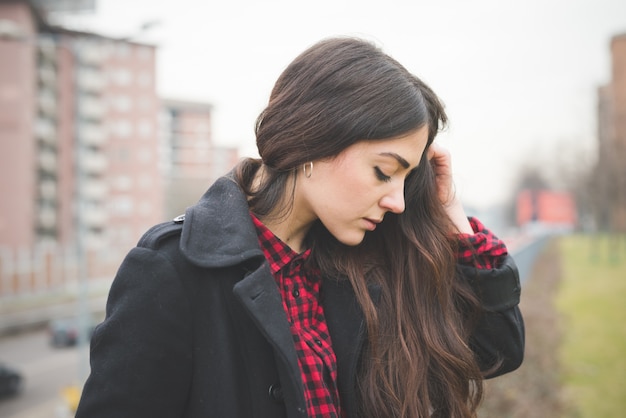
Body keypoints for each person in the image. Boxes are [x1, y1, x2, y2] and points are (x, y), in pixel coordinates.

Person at [75, 37, 524, 418]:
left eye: (408, 179)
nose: (397, 201)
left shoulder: (368, 266)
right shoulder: (171, 272)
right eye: (384, 171)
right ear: (315, 140)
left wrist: (452, 217)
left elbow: (494, 349)